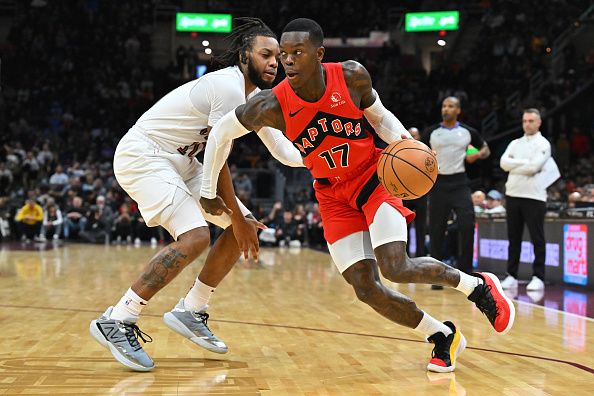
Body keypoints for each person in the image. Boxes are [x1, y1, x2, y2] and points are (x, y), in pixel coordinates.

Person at [199, 18, 514, 373]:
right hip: (333, 196)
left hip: (374, 179)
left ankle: (478, 287)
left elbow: (379, 119)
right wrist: (208, 191)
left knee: (395, 266)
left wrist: (404, 142)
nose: (287, 61)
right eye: (283, 54)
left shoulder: (351, 77)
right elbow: (220, 134)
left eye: (296, 53)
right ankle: (442, 335)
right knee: (365, 288)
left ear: (319, 54)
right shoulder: (271, 104)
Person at [89, 18, 304, 372]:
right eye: (265, 54)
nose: (273, 63)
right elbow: (217, 156)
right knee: (197, 236)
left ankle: (192, 308)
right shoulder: (229, 87)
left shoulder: (258, 99)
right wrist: (231, 213)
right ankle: (119, 318)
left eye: (278, 58)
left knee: (244, 226)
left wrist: (323, 157)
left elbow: (283, 151)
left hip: (183, 158)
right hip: (147, 153)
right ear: (243, 55)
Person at [422, 97, 490, 276]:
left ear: (458, 110)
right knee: (436, 229)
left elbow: (486, 149)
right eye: (444, 106)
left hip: (460, 182)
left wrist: (476, 155)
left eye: (451, 106)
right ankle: (436, 273)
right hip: (438, 182)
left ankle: (466, 272)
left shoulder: (467, 132)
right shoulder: (431, 132)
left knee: (467, 224)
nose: (446, 109)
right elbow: (417, 152)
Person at [499, 109, 551, 291]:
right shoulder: (514, 143)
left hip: (534, 196)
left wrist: (516, 164)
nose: (527, 124)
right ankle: (511, 275)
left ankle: (538, 276)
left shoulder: (543, 143)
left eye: (531, 120)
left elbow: (534, 167)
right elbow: (503, 163)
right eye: (524, 121)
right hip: (513, 194)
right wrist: (525, 162)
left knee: (537, 238)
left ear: (538, 123)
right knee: (513, 238)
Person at [403, 127, 428, 257]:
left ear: (419, 137)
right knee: (404, 228)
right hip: (405, 194)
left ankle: (421, 256)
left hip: (421, 193)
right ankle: (405, 257)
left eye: (415, 135)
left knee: (421, 227)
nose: (413, 137)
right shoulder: (400, 152)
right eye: (410, 134)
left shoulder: (425, 153)